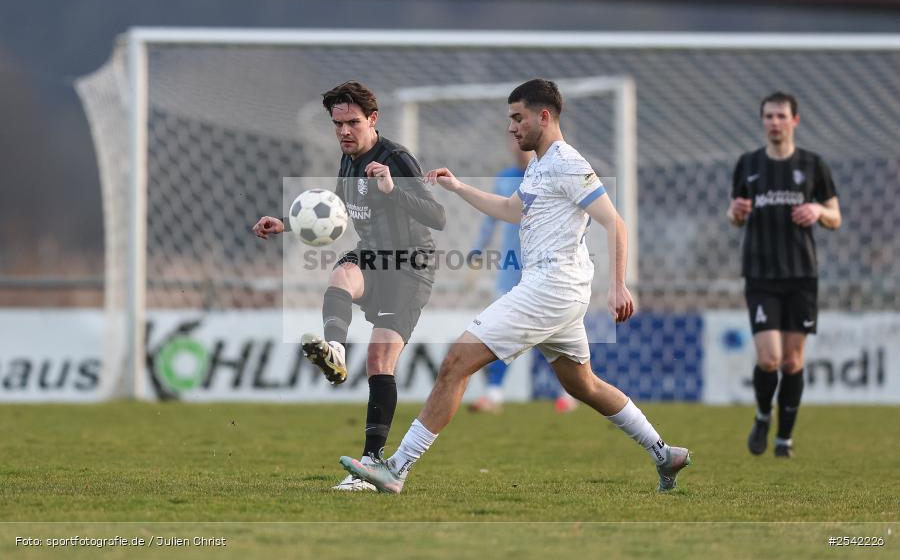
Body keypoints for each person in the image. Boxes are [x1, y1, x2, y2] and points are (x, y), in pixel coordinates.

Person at [340, 78, 691, 493]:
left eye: (517, 117)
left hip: (552, 287)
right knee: (584, 385)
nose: (511, 127)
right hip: (555, 289)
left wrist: (619, 285)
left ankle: (395, 469)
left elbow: (615, 222)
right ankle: (663, 452)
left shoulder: (567, 162)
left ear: (544, 116)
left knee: (456, 362)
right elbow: (511, 210)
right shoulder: (540, 164)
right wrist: (458, 187)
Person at [252, 81, 446, 490]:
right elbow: (335, 216)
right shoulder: (348, 160)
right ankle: (335, 351)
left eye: (352, 123)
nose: (344, 131)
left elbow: (436, 216)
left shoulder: (396, 159)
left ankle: (370, 466)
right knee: (340, 275)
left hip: (410, 266)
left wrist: (393, 190)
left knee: (379, 361)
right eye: (337, 123)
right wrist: (287, 224)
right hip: (372, 255)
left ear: (372, 120)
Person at [728, 91, 841, 458]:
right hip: (760, 273)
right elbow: (735, 215)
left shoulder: (813, 165)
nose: (774, 123)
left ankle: (784, 439)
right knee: (769, 358)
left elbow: (835, 217)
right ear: (763, 121)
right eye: (768, 116)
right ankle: (763, 415)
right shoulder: (748, 164)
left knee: (793, 361)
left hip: (801, 275)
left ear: (795, 120)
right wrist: (737, 212)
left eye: (781, 116)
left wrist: (817, 211)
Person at [468, 135, 577, 414]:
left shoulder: (548, 175)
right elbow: (491, 218)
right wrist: (478, 249)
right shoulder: (506, 178)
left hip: (546, 271)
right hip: (510, 271)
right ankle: (494, 394)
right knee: (502, 331)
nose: (516, 146)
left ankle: (568, 392)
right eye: (511, 141)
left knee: (552, 337)